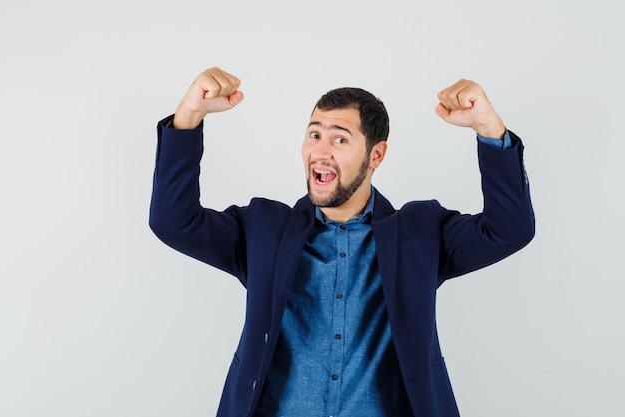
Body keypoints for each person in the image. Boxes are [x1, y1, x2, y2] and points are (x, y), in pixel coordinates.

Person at [149, 66, 535, 417]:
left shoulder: (420, 232)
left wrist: (489, 129)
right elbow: (174, 222)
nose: (321, 150)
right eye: (315, 134)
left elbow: (509, 230)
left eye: (340, 139)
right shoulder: (263, 229)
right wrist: (189, 118)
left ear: (375, 155)